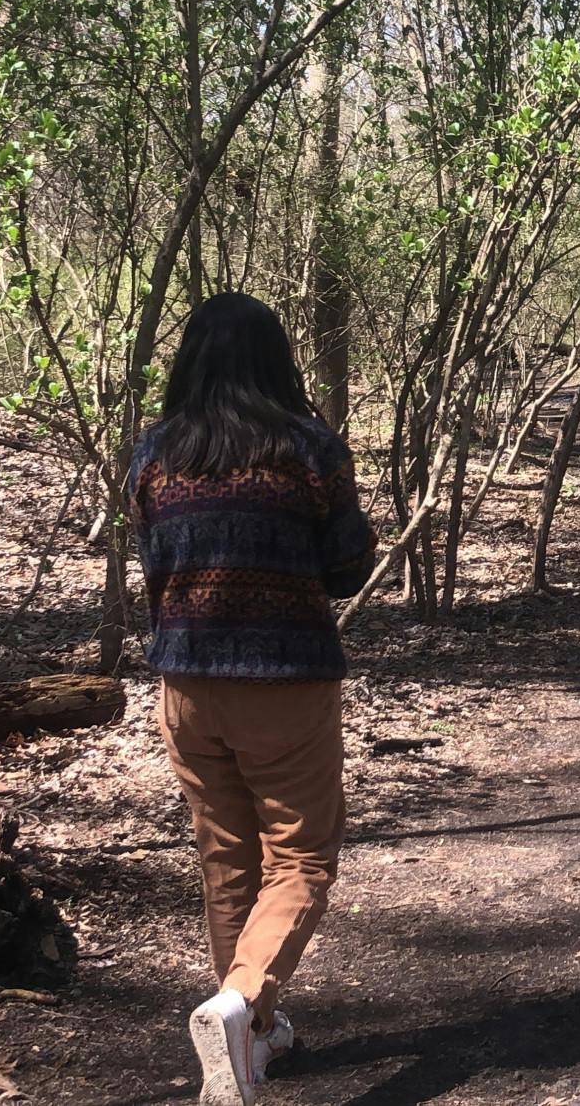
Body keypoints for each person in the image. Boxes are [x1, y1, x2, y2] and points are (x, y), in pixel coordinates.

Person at [128, 292, 377, 1106]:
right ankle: (239, 1002)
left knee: (227, 858)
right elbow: (348, 567)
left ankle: (252, 1035)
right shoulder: (306, 447)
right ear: (277, 360)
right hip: (284, 682)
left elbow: (153, 559)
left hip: (186, 683)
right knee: (299, 858)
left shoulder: (153, 454)